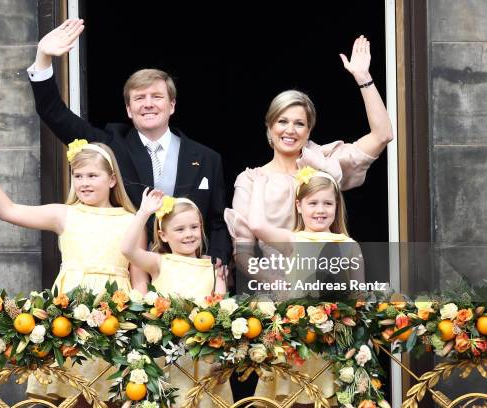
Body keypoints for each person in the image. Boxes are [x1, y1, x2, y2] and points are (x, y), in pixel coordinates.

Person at [27, 18, 231, 272]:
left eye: (157, 97)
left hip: (189, 272)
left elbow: (217, 221)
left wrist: (218, 260)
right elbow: (54, 113)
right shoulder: (112, 145)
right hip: (128, 272)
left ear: (172, 105)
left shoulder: (207, 157)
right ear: (129, 109)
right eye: (139, 98)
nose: (148, 104)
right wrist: (43, 58)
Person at [0, 133, 148, 404]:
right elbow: (8, 210)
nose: (84, 182)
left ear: (112, 179)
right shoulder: (65, 213)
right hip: (68, 317)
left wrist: (137, 324)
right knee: (69, 395)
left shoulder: (131, 220)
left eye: (92, 175)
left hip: (115, 317)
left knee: (112, 395)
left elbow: (140, 281)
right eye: (78, 176)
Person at [224, 35, 393, 282]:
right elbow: (242, 255)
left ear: (309, 130)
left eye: (299, 123)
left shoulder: (324, 165)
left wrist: (363, 78)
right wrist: (282, 285)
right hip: (275, 296)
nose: (290, 130)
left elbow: (383, 135)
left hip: (328, 290)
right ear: (270, 127)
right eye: (282, 121)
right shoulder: (252, 179)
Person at [246, 166, 363, 405]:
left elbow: (359, 295)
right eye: (313, 203)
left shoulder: (349, 244)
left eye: (328, 204)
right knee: (293, 398)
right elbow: (257, 225)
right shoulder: (293, 240)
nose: (320, 210)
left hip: (332, 342)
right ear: (299, 206)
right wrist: (258, 184)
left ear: (336, 207)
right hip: (296, 340)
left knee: (329, 397)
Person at [120, 189, 232, 408]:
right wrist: (144, 212)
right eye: (179, 229)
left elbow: (220, 308)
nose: (188, 234)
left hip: (201, 358)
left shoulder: (211, 267)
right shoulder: (160, 262)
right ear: (163, 235)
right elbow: (127, 249)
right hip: (167, 355)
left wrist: (220, 279)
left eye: (194, 227)